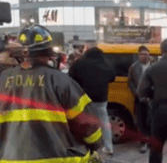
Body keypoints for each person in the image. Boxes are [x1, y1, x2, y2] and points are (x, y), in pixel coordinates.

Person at [0, 24, 102, 161]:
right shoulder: (61, 81)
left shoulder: (2, 79)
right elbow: (87, 124)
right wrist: (95, 145)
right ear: (48, 53)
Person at [69, 46, 116, 155]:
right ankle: (108, 147)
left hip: (84, 98)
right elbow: (113, 77)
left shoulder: (80, 63)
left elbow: (70, 77)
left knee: (85, 123)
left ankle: (88, 148)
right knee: (104, 122)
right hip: (101, 98)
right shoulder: (105, 63)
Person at [128, 45, 153, 153]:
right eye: (141, 54)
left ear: (149, 55)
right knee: (141, 122)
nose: (143, 56)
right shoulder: (134, 67)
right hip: (139, 99)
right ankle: (143, 143)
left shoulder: (154, 66)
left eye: (145, 54)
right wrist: (136, 93)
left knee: (151, 121)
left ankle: (151, 142)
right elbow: (130, 82)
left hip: (152, 99)